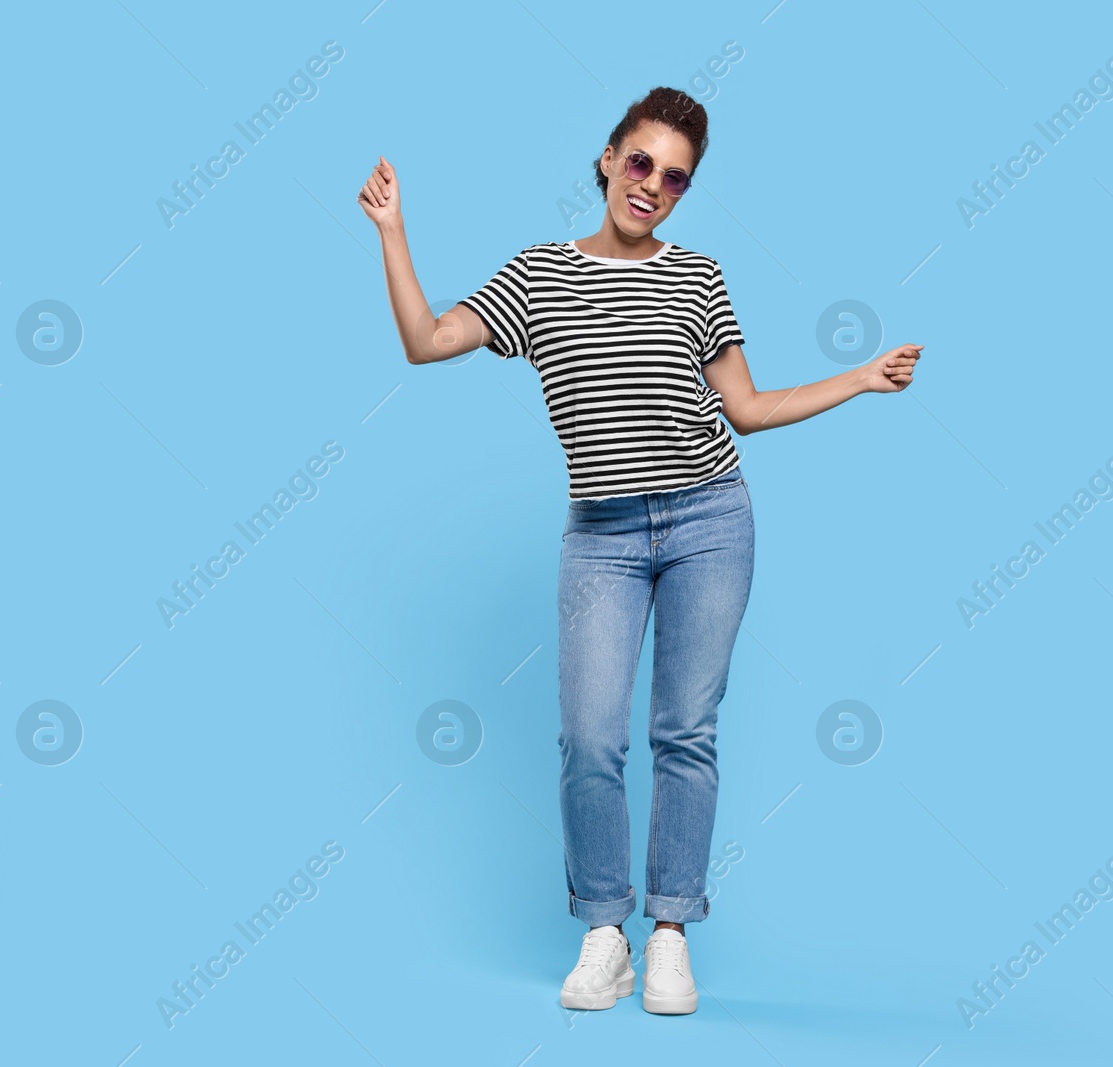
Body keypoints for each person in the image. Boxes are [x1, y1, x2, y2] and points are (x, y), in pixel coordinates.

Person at [358, 85, 920, 1015]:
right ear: (609, 157)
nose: (652, 184)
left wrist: (860, 379)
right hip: (603, 538)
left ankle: (669, 933)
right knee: (589, 737)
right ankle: (604, 931)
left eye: (674, 177)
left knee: (684, 734)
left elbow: (746, 408)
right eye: (640, 162)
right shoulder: (536, 277)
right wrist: (392, 231)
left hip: (710, 520)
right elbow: (425, 341)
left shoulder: (698, 278)